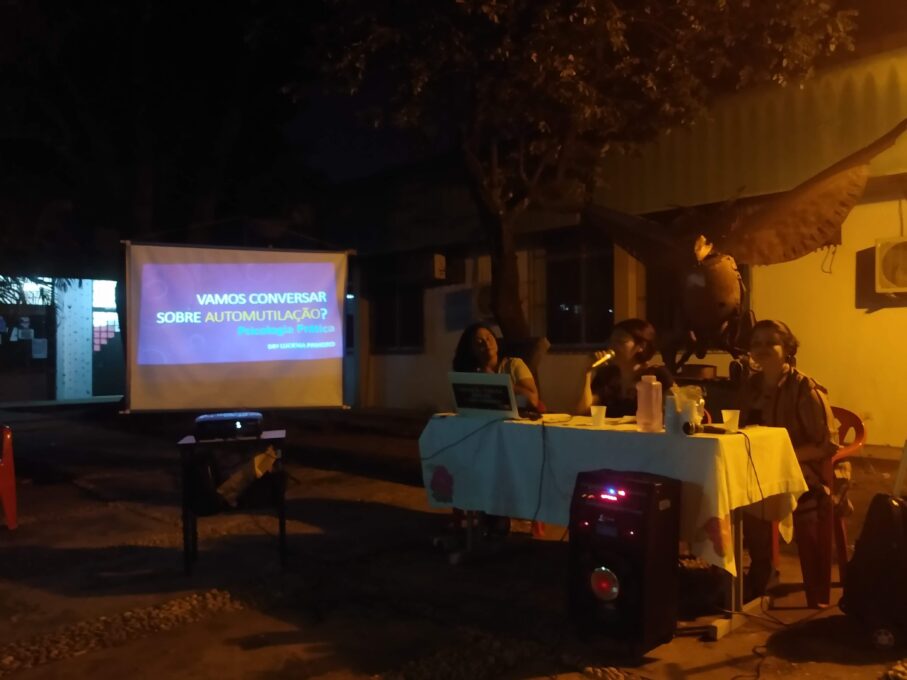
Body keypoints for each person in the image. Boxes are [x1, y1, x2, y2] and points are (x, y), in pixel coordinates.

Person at [738, 319, 839, 606]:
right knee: (733, 492)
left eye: (770, 342)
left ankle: (796, 579)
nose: (762, 348)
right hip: (763, 468)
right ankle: (755, 572)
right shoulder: (751, 387)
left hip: (805, 469)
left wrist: (781, 459)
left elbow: (827, 445)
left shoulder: (805, 388)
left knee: (759, 492)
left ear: (787, 348)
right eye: (756, 343)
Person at [575, 318, 673, 417]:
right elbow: (583, 412)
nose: (613, 346)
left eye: (620, 341)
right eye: (611, 341)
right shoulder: (607, 375)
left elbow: (673, 410)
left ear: (641, 346)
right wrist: (587, 372)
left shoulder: (657, 375)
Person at [452, 322, 541, 411]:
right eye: (479, 341)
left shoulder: (513, 364)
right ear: (471, 349)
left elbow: (532, 401)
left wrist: (498, 382)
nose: (486, 343)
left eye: (489, 338)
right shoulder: (470, 374)